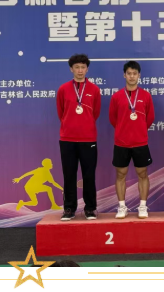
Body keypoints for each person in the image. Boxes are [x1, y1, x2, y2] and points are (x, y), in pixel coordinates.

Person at [56, 54, 101, 221]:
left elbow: (95, 113)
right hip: (67, 139)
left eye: (83, 67)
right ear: (71, 69)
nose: (80, 70)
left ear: (87, 69)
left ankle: (90, 208)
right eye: (77, 67)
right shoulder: (63, 89)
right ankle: (69, 208)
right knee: (69, 175)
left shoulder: (94, 90)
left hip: (88, 139)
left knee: (89, 175)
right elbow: (61, 112)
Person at [109, 61, 155, 219]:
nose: (132, 76)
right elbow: (113, 119)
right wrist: (123, 130)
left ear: (139, 75)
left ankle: (142, 206)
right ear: (124, 75)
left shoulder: (146, 96)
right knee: (120, 174)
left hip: (140, 142)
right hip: (121, 143)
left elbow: (150, 118)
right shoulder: (116, 97)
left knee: (142, 173)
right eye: (129, 73)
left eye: (135, 74)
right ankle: (122, 207)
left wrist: (139, 130)